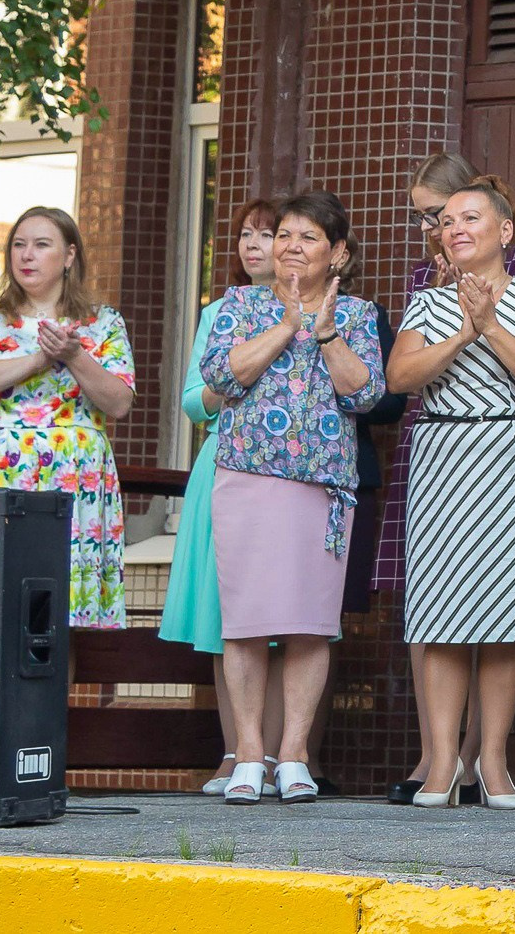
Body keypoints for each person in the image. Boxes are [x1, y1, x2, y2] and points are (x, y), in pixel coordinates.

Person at [375, 151, 515, 805]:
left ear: (504, 231)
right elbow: (399, 378)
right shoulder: (425, 302)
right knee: (443, 614)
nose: (454, 229)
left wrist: (493, 327)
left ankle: (495, 763)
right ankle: (445, 763)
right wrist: (463, 330)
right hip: (443, 460)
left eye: (469, 217)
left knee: (506, 618)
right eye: (446, 221)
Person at [198, 190, 386, 805]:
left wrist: (326, 334)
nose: (291, 246)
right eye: (284, 235)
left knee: (310, 625)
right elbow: (222, 376)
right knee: (247, 624)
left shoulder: (357, 316)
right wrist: (287, 324)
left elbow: (366, 396)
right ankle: (249, 754)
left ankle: (295, 755)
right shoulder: (239, 304)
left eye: (308, 237)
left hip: (323, 486)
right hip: (248, 479)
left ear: (339, 255)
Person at [0, 205, 135, 629]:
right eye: (18, 245)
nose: (26, 255)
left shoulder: (102, 323)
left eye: (41, 245)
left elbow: (119, 402)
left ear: (69, 256)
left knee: (59, 620)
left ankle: (55, 699)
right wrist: (37, 359)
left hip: (73, 482)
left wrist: (73, 356)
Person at [161, 197, 279, 796]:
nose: (253, 244)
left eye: (268, 232)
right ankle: (235, 752)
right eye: (245, 234)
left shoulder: (325, 309)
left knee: (287, 620)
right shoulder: (220, 311)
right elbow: (191, 400)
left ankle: (285, 757)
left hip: (294, 474)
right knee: (225, 612)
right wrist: (225, 388)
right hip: (223, 463)